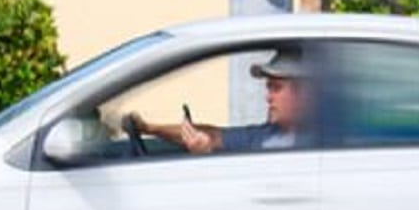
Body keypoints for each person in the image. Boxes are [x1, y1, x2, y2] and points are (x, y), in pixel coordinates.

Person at [130, 48, 311, 154]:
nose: (268, 97)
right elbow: (213, 136)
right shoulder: (266, 135)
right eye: (268, 88)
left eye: (276, 88)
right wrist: (149, 128)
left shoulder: (326, 144)